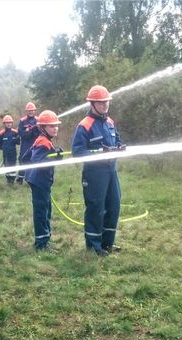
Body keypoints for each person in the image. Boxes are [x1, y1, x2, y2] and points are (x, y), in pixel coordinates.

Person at [71, 85, 125, 257]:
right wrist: (100, 154)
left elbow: (117, 140)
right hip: (95, 174)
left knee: (114, 205)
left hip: (111, 171)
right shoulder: (84, 125)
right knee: (96, 208)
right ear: (92, 104)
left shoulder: (110, 122)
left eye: (106, 102)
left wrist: (119, 147)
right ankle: (94, 247)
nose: (105, 105)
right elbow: (77, 152)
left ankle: (107, 243)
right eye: (101, 103)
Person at [23, 110, 63, 251]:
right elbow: (38, 161)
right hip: (39, 182)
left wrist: (54, 155)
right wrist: (54, 157)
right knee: (42, 212)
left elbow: (26, 157)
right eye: (51, 126)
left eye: (56, 125)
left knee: (46, 210)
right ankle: (41, 244)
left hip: (41, 182)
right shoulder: (43, 142)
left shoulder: (42, 140)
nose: (55, 128)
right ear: (42, 127)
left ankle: (45, 240)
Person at [16, 102, 39, 184]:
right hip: (25, 145)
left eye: (32, 110)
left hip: (35, 144)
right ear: (27, 111)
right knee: (23, 160)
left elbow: (41, 133)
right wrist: (29, 132)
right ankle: (20, 179)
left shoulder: (38, 120)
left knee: (34, 160)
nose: (31, 112)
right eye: (29, 110)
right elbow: (21, 133)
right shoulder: (22, 121)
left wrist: (35, 131)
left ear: (35, 111)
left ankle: (31, 180)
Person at [0, 114, 20, 184]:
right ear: (4, 124)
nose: (9, 124)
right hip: (5, 154)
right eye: (7, 123)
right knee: (6, 166)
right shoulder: (1, 133)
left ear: (12, 123)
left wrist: (18, 138)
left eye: (10, 123)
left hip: (13, 153)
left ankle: (12, 180)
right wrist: (3, 149)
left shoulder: (15, 132)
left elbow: (18, 142)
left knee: (12, 166)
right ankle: (8, 180)